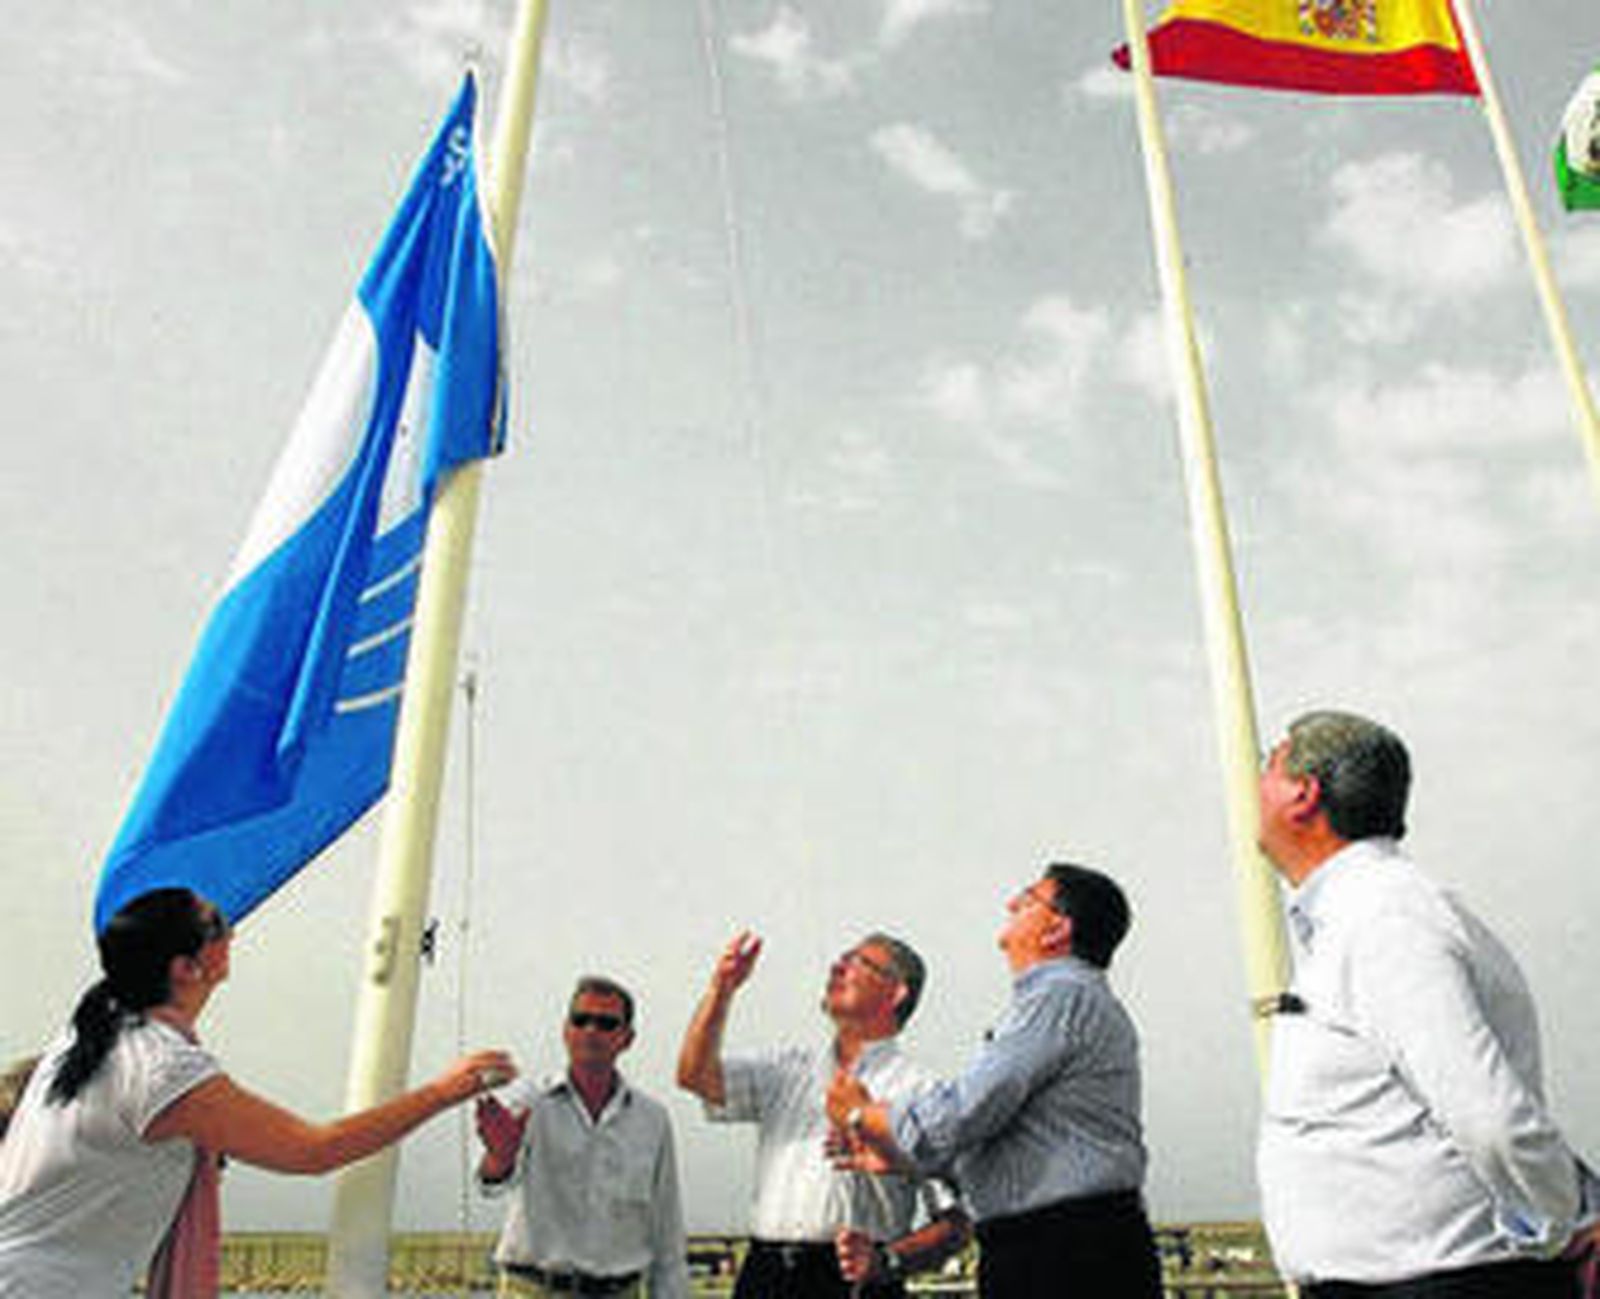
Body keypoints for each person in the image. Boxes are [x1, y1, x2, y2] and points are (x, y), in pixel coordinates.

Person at [0, 887, 514, 1298]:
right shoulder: (159, 1067)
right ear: (185, 968)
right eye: (219, 926)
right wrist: (446, 1090)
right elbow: (314, 1149)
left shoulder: (92, 1032)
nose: (235, 931)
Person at [1255, 709, 1600, 1297]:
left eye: (1268, 767)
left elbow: (1487, 1112)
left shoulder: (1386, 919)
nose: (1253, 788)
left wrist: (1570, 1224)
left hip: (1440, 1283)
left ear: (1303, 794)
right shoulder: (1368, 916)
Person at [825, 864, 1162, 1299]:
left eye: (1027, 899)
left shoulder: (1060, 998)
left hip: (1067, 1253)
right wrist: (905, 1157)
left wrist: (862, 1113)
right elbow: (1010, 1140)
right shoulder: (1055, 1004)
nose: (1011, 905)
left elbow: (967, 1110)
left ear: (1056, 929)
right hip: (1046, 1247)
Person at [677, 930, 969, 1297]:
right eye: (841, 958)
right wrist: (721, 990)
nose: (837, 966)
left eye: (859, 962)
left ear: (897, 992)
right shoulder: (787, 1069)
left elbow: (956, 1224)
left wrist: (887, 1261)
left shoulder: (922, 1091)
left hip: (857, 1282)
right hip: (765, 1275)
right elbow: (695, 1077)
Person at [474, 975, 689, 1298]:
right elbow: (489, 1184)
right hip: (533, 1288)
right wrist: (500, 1157)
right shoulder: (528, 1103)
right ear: (565, 1030)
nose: (591, 1031)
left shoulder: (653, 1121)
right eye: (581, 1020)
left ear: (627, 1038)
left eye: (606, 1023)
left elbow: (667, 1232)